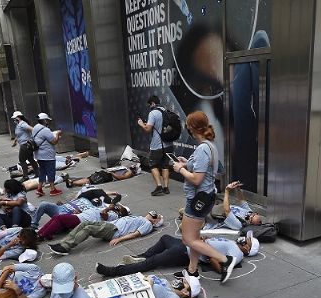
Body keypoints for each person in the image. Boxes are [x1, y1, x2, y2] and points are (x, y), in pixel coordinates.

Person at [171, 112, 238, 283]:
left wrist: (180, 169)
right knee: (195, 237)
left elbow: (196, 178)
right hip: (206, 197)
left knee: (188, 239)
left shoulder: (202, 148)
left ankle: (225, 260)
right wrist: (187, 163)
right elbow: (204, 170)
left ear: (192, 128)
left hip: (197, 200)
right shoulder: (210, 146)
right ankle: (192, 270)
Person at [95, 231, 258, 278]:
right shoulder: (233, 244)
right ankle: (142, 256)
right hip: (187, 245)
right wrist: (205, 240)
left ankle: (113, 271)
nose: (245, 239)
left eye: (248, 241)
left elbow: (221, 264)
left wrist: (206, 254)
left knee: (152, 263)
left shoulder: (237, 253)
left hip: (186, 253)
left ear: (248, 249)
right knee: (165, 238)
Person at [49, 212, 163, 255]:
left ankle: (65, 247)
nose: (150, 214)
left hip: (114, 230)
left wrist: (119, 239)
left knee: (88, 229)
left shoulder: (148, 224)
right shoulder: (140, 217)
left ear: (155, 221)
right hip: (110, 224)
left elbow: (136, 234)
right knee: (85, 224)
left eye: (154, 216)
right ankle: (63, 243)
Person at [138, 95, 171, 196]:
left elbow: (148, 129)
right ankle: (166, 188)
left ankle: (159, 186)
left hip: (157, 145)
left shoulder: (153, 113)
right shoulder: (166, 111)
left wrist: (141, 124)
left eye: (149, 104)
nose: (149, 107)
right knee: (165, 165)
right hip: (168, 144)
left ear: (152, 103)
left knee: (152, 164)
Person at [38, 204, 124, 241]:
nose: (116, 206)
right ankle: (41, 232)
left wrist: (109, 208)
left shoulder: (114, 215)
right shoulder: (107, 209)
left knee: (59, 218)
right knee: (56, 217)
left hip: (81, 221)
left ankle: (43, 235)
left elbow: (103, 214)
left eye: (118, 208)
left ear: (119, 212)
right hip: (80, 217)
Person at [32, 112, 63, 197]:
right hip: (47, 155)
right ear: (45, 120)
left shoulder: (35, 127)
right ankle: (53, 189)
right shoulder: (45, 130)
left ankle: (39, 188)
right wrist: (57, 134)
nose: (48, 122)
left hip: (38, 155)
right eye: (48, 120)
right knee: (50, 172)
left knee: (42, 171)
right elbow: (54, 141)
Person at [9, 111, 37, 179]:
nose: (14, 120)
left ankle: (25, 176)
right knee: (31, 159)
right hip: (25, 144)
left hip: (25, 144)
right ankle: (37, 173)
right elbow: (18, 134)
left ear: (18, 118)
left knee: (22, 160)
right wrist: (15, 141)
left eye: (14, 118)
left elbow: (32, 129)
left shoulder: (22, 124)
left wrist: (32, 138)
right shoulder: (19, 124)